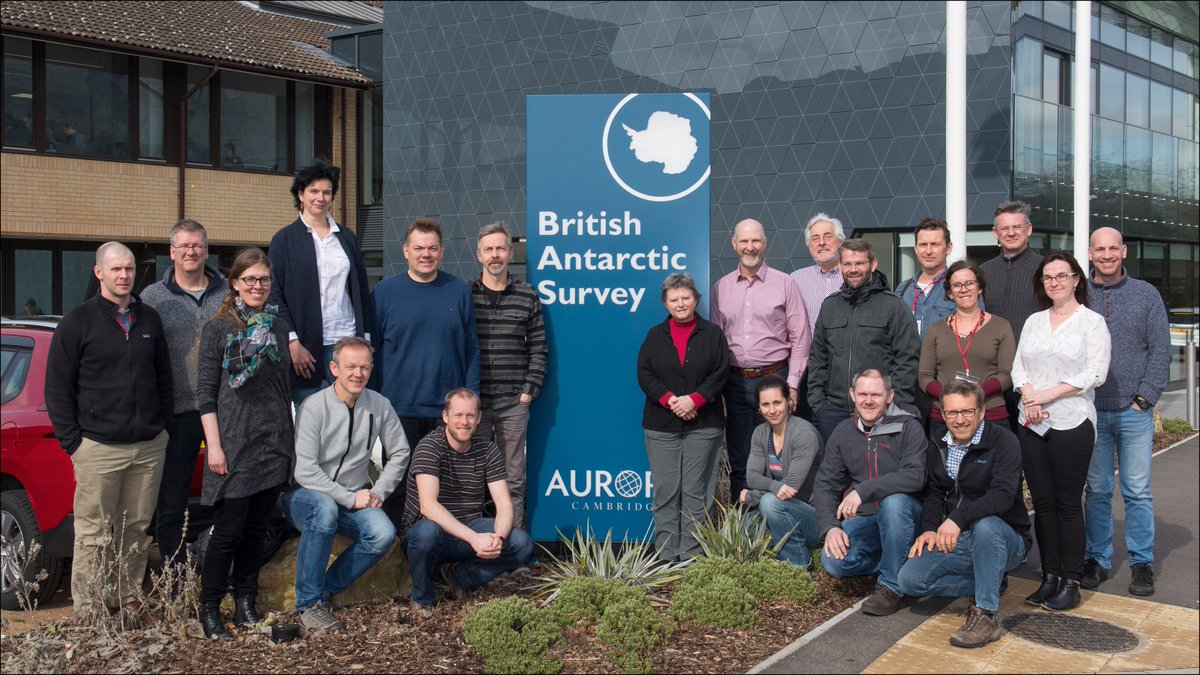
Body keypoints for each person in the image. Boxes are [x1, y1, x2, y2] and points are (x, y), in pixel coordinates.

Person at [44, 241, 173, 625]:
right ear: (98, 272)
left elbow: (163, 377)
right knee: (94, 534)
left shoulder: (149, 318)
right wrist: (75, 444)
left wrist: (161, 426)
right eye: (115, 269)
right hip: (98, 447)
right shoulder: (77, 322)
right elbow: (57, 388)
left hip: (148, 446)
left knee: (135, 530)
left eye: (129, 269)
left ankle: (128, 601)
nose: (124, 276)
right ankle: (90, 611)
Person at [194, 248, 295, 640]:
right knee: (229, 530)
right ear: (234, 282)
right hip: (234, 444)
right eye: (249, 279)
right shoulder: (219, 328)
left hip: (273, 441)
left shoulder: (277, 326)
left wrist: (288, 440)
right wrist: (214, 446)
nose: (257, 286)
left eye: (263, 280)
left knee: (257, 529)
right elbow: (205, 394)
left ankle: (246, 601)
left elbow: (282, 386)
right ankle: (210, 608)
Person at [284, 337, 411, 634]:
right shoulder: (313, 406)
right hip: (306, 496)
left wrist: (379, 491)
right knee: (325, 507)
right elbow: (305, 470)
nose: (358, 373)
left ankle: (324, 590)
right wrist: (349, 498)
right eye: (351, 366)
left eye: (364, 367)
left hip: (354, 497)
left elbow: (401, 452)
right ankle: (307, 604)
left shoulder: (379, 405)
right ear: (334, 368)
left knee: (382, 533)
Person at [897, 380, 1030, 649]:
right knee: (909, 581)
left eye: (967, 412)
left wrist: (957, 518)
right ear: (943, 414)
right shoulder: (937, 441)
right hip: (959, 538)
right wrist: (929, 528)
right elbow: (934, 492)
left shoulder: (1004, 441)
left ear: (981, 412)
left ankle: (986, 614)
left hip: (1006, 538)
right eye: (952, 413)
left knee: (986, 525)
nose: (960, 420)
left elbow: (1003, 495)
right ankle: (988, 578)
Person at [1012, 251, 1110, 612]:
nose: (1054, 282)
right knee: (1042, 503)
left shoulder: (1092, 322)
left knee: (1068, 504)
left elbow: (1094, 373)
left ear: (1075, 280)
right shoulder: (1034, 321)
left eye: (1060, 276)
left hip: (1071, 421)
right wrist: (1028, 395)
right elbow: (1018, 365)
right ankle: (1049, 576)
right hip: (1032, 422)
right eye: (1047, 278)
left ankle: (1071, 581)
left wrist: (1047, 394)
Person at [372, 217, 480, 529]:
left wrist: (470, 397)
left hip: (445, 411)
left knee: (445, 485)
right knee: (399, 482)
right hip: (398, 407)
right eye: (419, 247)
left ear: (442, 251)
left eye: (432, 248)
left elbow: (471, 348)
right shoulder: (383, 293)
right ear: (406, 250)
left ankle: (440, 553)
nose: (426, 254)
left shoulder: (457, 290)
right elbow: (374, 351)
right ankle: (395, 551)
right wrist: (376, 403)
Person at [1082, 227, 1171, 597]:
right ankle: (1097, 558)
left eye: (1112, 248)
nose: (1106, 255)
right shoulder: (1077, 293)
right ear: (1089, 253)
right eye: (1099, 249)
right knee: (1098, 489)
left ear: (1124, 251)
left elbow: (1161, 350)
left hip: (1133, 410)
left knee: (1136, 491)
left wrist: (1144, 398)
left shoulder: (1146, 295)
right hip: (1090, 410)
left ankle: (1141, 562)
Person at [402, 389, 534, 618]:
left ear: (479, 418)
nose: (465, 422)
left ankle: (460, 579)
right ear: (445, 417)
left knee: (520, 543)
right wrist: (474, 539)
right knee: (427, 532)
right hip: (431, 534)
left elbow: (503, 503)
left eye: (471, 416)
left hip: (469, 528)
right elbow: (428, 507)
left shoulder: (487, 450)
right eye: (458, 415)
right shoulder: (429, 447)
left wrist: (498, 539)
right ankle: (422, 597)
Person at [141, 218, 226, 569]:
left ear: (206, 251)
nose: (191, 251)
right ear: (171, 252)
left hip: (225, 409)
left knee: (227, 497)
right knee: (172, 502)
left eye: (198, 246)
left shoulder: (227, 293)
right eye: (184, 246)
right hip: (177, 412)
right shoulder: (152, 298)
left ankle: (221, 572)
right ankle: (175, 578)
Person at [710, 218, 809, 501]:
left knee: (778, 456)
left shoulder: (785, 284)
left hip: (775, 380)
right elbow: (717, 344)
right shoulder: (721, 288)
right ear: (734, 244)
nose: (750, 247)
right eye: (744, 241)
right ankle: (742, 533)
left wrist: (791, 385)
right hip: (735, 383)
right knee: (741, 456)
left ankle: (776, 526)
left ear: (764, 244)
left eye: (755, 241)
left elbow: (801, 339)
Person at [813, 369, 926, 616]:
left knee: (893, 502)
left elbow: (915, 476)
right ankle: (896, 559)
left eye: (876, 394)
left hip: (905, 516)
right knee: (833, 562)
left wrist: (864, 490)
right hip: (866, 520)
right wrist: (830, 527)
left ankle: (891, 586)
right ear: (852, 395)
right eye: (862, 393)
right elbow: (824, 484)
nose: (868, 400)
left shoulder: (908, 426)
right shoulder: (843, 432)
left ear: (890, 396)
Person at [637, 274, 730, 561]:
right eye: (674, 299)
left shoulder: (713, 334)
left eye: (685, 298)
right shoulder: (654, 335)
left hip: (703, 425)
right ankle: (665, 554)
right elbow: (645, 374)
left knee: (695, 492)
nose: (680, 304)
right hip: (661, 426)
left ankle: (691, 554)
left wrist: (695, 400)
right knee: (666, 491)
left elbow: (721, 372)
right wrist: (670, 400)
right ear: (665, 304)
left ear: (696, 300)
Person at [268, 159, 373, 405]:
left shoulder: (347, 238)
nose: (321, 197)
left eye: (327, 192)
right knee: (309, 420)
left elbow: (361, 293)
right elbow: (274, 295)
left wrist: (365, 341)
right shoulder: (284, 240)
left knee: (350, 414)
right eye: (314, 191)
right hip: (305, 347)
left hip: (347, 341)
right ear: (300, 195)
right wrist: (292, 341)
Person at [470, 222, 547, 530]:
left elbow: (539, 349)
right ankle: (474, 541)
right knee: (472, 477)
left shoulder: (527, 295)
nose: (495, 255)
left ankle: (513, 543)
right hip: (473, 404)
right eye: (488, 249)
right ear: (479, 255)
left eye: (500, 248)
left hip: (513, 402)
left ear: (510, 252)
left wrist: (528, 391)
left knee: (512, 477)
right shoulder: (464, 295)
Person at [807, 238, 921, 442]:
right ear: (840, 265)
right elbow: (818, 357)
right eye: (848, 264)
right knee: (838, 472)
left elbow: (908, 359)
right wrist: (819, 404)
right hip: (835, 412)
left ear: (873, 264)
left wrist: (895, 405)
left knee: (878, 472)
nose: (853, 269)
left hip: (880, 412)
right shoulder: (830, 306)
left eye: (859, 263)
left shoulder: (893, 306)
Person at [918, 259, 1015, 441]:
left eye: (970, 283)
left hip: (990, 415)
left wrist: (974, 394)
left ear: (980, 288)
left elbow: (1007, 374)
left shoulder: (1001, 326)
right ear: (950, 293)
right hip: (945, 416)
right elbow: (924, 377)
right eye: (957, 285)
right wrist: (950, 396)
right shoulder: (936, 330)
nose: (964, 289)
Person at [740, 375, 823, 569]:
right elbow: (752, 476)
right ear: (759, 408)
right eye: (766, 404)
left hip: (815, 517)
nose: (772, 410)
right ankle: (777, 563)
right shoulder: (760, 433)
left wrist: (753, 496)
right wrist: (772, 486)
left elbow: (790, 489)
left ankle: (799, 565)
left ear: (788, 402)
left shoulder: (804, 434)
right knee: (746, 524)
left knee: (770, 504)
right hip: (782, 507)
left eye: (777, 402)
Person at [789, 212, 845, 420]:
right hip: (810, 374)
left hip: (846, 373)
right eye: (815, 238)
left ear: (840, 240)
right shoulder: (796, 279)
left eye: (828, 236)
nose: (822, 243)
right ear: (809, 245)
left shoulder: (854, 276)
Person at [897, 217, 969, 338]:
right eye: (923, 245)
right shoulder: (903, 290)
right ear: (915, 249)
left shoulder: (963, 288)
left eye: (935, 244)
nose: (928, 251)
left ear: (948, 248)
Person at [980, 201, 1042, 340]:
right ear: (996, 233)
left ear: (1029, 229)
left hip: (1034, 355)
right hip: (992, 356)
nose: (1011, 233)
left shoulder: (1046, 269)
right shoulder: (983, 272)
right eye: (1005, 228)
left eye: (1017, 227)